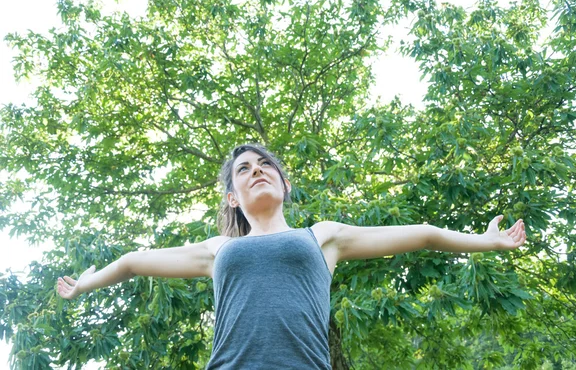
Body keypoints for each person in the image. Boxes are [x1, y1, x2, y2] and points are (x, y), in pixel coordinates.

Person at [57, 143, 527, 369]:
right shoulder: (218, 250)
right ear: (232, 198)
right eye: (243, 170)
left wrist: (487, 241)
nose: (256, 171)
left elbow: (421, 234)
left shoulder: (323, 237)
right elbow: (136, 260)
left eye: (265, 166)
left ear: (283, 184)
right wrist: (86, 285)